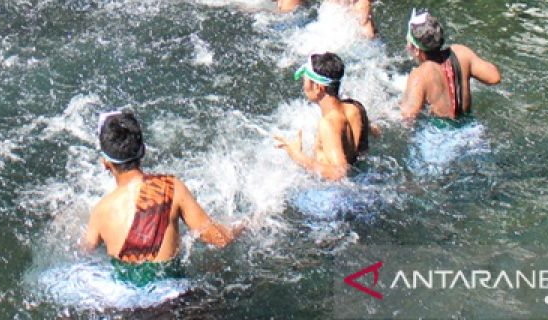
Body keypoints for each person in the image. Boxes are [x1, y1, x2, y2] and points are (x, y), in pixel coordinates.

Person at [81, 110, 240, 277]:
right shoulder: (171, 187)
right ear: (143, 151)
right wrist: (246, 225)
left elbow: (85, 251)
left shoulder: (101, 211)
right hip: (174, 298)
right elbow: (217, 239)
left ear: (105, 163)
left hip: (124, 300)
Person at [273, 53, 374, 180]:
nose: (303, 87)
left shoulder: (328, 123)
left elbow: (340, 173)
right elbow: (373, 131)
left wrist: (297, 156)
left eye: (305, 81)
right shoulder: (356, 107)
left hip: (335, 196)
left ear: (318, 88)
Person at [400, 10, 502, 121]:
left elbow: (407, 117)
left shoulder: (419, 75)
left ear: (416, 50)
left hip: (439, 133)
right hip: (471, 129)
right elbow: (494, 78)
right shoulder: (462, 53)